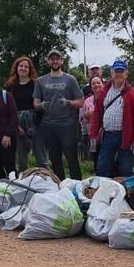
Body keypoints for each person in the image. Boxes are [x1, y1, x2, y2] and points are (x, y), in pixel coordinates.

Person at [89, 59, 134, 178]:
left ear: (126, 74)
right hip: (108, 135)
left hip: (125, 136)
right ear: (111, 73)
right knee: (102, 168)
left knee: (125, 169)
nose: (118, 74)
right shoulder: (104, 91)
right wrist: (93, 135)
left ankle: (127, 194)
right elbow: (97, 114)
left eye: (121, 71)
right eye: (116, 71)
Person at [34, 49, 84, 180]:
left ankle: (77, 185)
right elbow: (35, 103)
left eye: (57, 59)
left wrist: (68, 102)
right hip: (49, 126)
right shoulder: (40, 81)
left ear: (62, 61)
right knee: (55, 160)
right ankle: (59, 186)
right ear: (48, 61)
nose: (55, 61)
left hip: (67, 125)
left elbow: (81, 102)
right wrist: (41, 105)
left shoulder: (70, 79)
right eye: (52, 59)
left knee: (72, 159)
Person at [5, 55, 46, 172]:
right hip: (17, 121)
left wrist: (35, 125)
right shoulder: (10, 86)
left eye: (26, 67)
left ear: (30, 69)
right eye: (21, 66)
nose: (23, 68)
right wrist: (16, 126)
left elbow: (41, 105)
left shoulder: (36, 84)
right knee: (22, 160)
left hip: (35, 120)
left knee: (41, 157)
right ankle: (23, 183)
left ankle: (46, 181)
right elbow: (9, 108)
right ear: (16, 68)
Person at [81, 75, 105, 169]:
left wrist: (94, 113)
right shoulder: (87, 101)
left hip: (106, 134)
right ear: (90, 87)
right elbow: (83, 118)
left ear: (102, 84)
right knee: (96, 158)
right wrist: (88, 115)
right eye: (93, 83)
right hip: (93, 134)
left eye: (98, 83)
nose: (96, 85)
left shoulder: (108, 98)